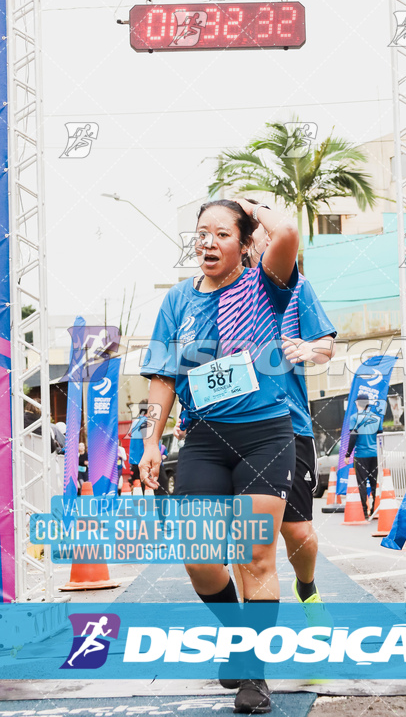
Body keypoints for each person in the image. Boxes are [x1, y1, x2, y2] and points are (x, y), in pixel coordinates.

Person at [138, 198, 298, 715]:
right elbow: (164, 375)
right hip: (203, 438)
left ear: (245, 242)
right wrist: (150, 441)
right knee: (200, 557)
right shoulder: (178, 302)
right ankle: (238, 639)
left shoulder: (263, 285)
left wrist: (254, 207)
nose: (208, 242)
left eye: (222, 233)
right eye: (201, 233)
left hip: (264, 436)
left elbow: (289, 231)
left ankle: (255, 673)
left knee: (256, 555)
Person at [244, 216, 336, 613]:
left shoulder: (295, 287)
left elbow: (326, 346)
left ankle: (307, 587)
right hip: (233, 428)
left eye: (261, 230)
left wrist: (307, 349)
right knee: (247, 538)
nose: (258, 239)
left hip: (288, 425)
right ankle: (248, 636)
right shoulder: (215, 293)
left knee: (297, 531)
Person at [344, 390, 384, 519]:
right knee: (374, 482)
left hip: (361, 455)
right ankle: (374, 509)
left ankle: (363, 510)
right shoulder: (377, 418)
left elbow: (353, 437)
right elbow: (380, 438)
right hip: (375, 454)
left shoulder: (355, 418)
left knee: (361, 483)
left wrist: (348, 454)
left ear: (358, 404)